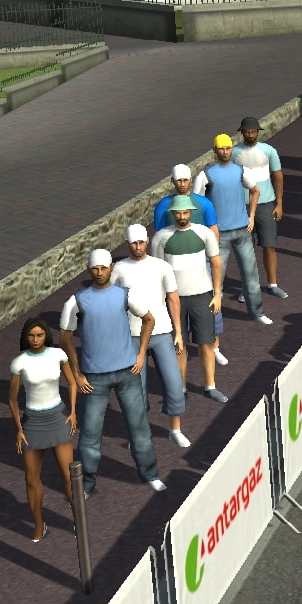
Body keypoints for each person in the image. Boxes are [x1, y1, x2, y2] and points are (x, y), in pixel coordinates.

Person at [58, 249, 165, 497]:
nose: (99, 272)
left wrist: (140, 354)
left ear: (111, 268)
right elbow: (64, 338)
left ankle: (150, 474)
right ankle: (86, 484)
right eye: (95, 268)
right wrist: (77, 374)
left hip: (128, 372)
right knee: (90, 434)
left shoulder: (125, 295)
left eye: (103, 268)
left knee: (139, 428)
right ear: (89, 270)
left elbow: (149, 319)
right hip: (94, 379)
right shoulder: (76, 301)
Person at [110, 224, 189, 447]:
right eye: (133, 243)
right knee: (136, 390)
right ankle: (139, 434)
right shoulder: (119, 269)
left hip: (162, 331)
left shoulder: (162, 266)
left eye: (141, 242)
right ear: (127, 244)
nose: (138, 247)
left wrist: (178, 332)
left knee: (174, 383)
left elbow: (173, 298)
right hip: (132, 335)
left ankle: (175, 430)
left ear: (147, 241)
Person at [151, 195, 227, 403]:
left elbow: (216, 263)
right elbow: (156, 272)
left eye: (185, 213)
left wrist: (217, 294)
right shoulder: (161, 238)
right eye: (178, 213)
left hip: (203, 296)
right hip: (173, 300)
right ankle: (181, 389)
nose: (182, 216)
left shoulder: (204, 234)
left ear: (191, 212)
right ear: (172, 213)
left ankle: (210, 386)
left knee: (206, 342)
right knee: (179, 345)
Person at [8, 317, 78, 541]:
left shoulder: (58, 355)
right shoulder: (19, 363)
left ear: (46, 335)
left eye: (39, 335)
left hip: (58, 418)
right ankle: (39, 525)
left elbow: (72, 382)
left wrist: (73, 412)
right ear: (25, 337)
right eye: (31, 335)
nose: (35, 339)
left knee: (69, 475)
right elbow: (12, 400)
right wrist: (19, 429)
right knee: (31, 479)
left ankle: (78, 520)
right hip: (33, 422)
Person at [195, 132, 270, 325]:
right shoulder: (206, 175)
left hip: (243, 231)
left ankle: (257, 312)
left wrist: (251, 216)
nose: (225, 152)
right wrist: (206, 230)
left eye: (228, 148)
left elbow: (255, 190)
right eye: (221, 148)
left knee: (251, 274)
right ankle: (212, 318)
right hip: (218, 236)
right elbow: (197, 204)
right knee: (214, 279)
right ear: (215, 150)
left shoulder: (241, 171)